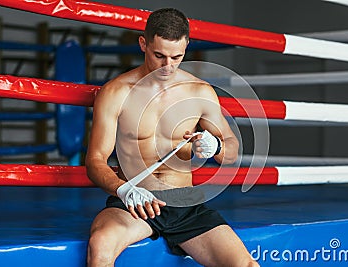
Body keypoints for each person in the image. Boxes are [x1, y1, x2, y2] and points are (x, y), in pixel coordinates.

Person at [85, 7, 259, 267]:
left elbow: (233, 149)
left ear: (186, 46)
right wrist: (124, 189)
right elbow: (95, 160)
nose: (168, 66)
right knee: (100, 245)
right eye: (159, 56)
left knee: (246, 265)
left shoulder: (200, 91)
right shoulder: (117, 92)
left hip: (186, 205)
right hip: (136, 204)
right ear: (143, 43)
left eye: (177, 57)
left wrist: (216, 146)